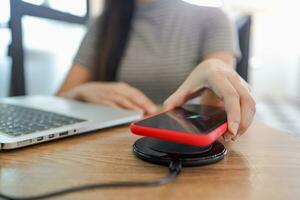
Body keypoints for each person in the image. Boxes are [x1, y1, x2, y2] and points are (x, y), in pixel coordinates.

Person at [57, 0, 256, 141]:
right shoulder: (103, 24)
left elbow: (218, 114)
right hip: (106, 147)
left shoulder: (213, 18)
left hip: (185, 150)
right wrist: (83, 91)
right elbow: (58, 99)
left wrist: (213, 69)